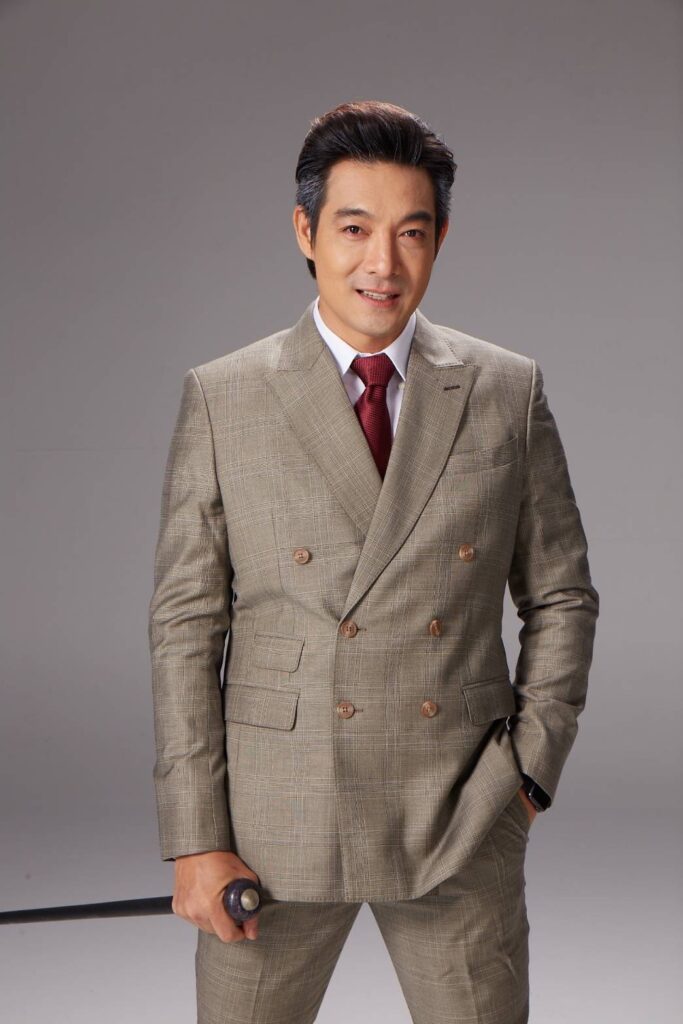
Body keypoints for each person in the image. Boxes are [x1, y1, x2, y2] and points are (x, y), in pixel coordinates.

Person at [148, 99, 599, 1024]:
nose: (382, 264)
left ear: (440, 240)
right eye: (354, 229)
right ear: (306, 232)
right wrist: (194, 837)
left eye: (411, 232)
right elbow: (186, 629)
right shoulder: (225, 397)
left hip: (459, 808)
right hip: (273, 822)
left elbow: (561, 596)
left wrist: (529, 773)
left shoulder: (503, 389)